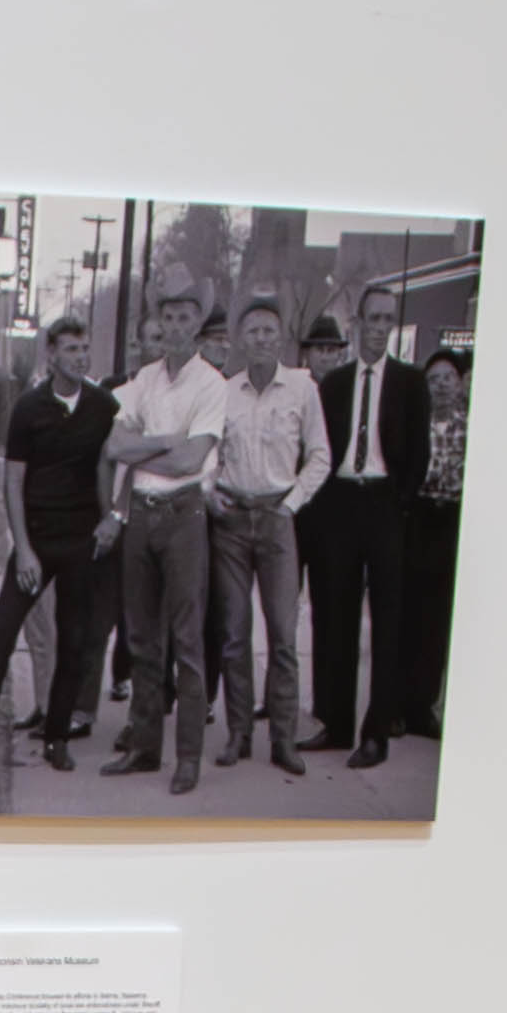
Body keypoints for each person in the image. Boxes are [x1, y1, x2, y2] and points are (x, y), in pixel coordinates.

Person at [0, 314, 118, 766]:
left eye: (85, 349)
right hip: (37, 541)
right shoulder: (29, 408)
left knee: (74, 640)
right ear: (51, 354)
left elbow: (119, 460)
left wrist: (112, 518)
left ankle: (56, 738)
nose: (80, 357)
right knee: (0, 636)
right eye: (70, 349)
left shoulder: (105, 407)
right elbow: (12, 482)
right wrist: (23, 548)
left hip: (81, 543)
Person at [101, 284, 227, 790]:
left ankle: (189, 757)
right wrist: (160, 444)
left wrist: (142, 451)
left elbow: (190, 461)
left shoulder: (211, 384)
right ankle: (145, 747)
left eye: (184, 317)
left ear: (197, 324)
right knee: (141, 638)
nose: (175, 326)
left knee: (187, 640)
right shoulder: (145, 379)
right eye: (168, 316)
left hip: (183, 516)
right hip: (142, 512)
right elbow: (113, 444)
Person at [202, 295, 325, 777]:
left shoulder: (301, 390)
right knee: (233, 635)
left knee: (283, 637)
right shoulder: (223, 393)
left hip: (278, 518)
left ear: (282, 338)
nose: (261, 339)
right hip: (232, 521)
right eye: (252, 331)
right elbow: (208, 453)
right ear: (238, 339)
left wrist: (291, 504)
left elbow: (320, 456)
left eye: (269, 331)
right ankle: (239, 734)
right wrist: (210, 492)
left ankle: (283, 738)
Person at [306, 279, 423, 764]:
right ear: (356, 324)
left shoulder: (410, 383)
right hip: (340, 504)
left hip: (384, 504)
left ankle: (376, 731)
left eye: (386, 321)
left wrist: (398, 502)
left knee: (387, 620)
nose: (378, 330)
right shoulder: (334, 384)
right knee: (336, 614)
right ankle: (335, 723)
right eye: (371, 320)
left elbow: (419, 455)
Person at [400, 343, 470, 740]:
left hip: (452, 521)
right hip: (419, 518)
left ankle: (422, 707)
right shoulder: (418, 422)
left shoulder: (475, 424)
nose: (441, 386)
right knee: (406, 613)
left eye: (448, 378)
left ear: (461, 384)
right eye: (434, 380)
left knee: (437, 619)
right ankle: (394, 704)